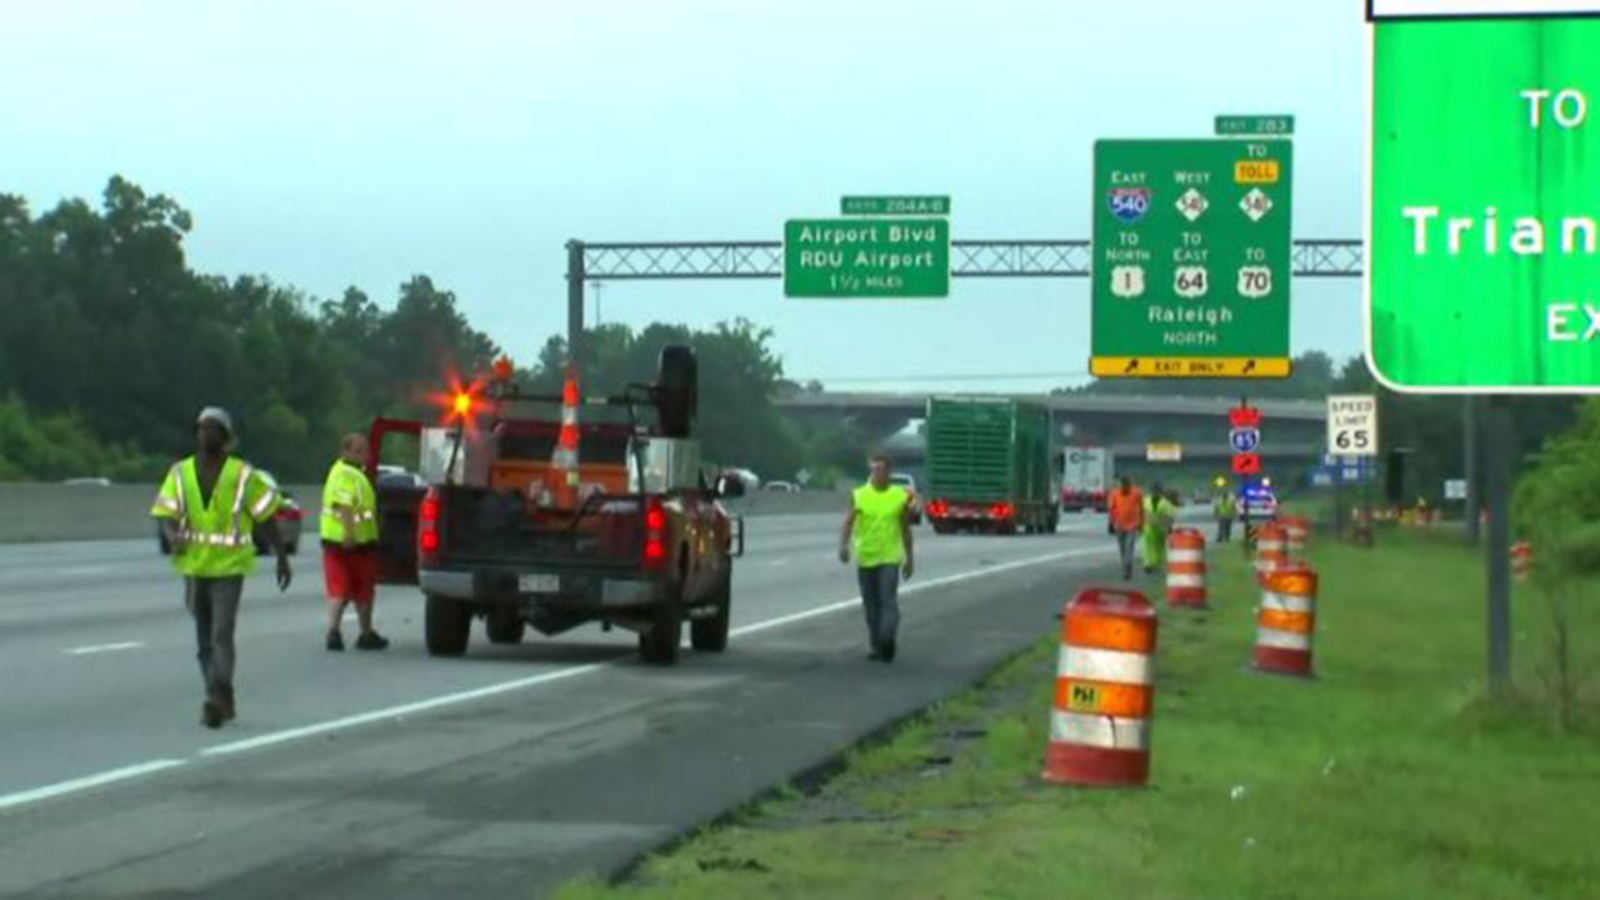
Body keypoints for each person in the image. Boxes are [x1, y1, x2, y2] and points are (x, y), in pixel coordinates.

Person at [150, 407, 292, 729]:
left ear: (226, 438)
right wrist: (173, 536)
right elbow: (165, 513)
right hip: (195, 566)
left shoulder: (242, 474)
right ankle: (218, 694)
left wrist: (282, 557)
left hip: (229, 566)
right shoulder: (180, 472)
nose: (206, 434)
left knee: (221, 633)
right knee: (203, 640)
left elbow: (265, 516)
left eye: (214, 429)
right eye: (201, 428)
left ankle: (217, 695)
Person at [838, 453, 914, 663]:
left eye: (881, 469)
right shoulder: (859, 494)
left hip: (889, 557)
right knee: (871, 606)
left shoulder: (899, 496)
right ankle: (876, 645)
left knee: (887, 600)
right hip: (866, 557)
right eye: (874, 469)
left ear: (889, 471)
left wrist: (910, 559)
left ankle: (887, 638)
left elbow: (906, 529)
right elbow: (848, 522)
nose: (877, 473)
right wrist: (843, 546)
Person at [322, 433, 388, 651]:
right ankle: (349, 632)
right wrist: (349, 534)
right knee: (353, 588)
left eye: (365, 450)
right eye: (358, 450)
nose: (364, 454)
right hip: (350, 542)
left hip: (343, 541)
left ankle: (349, 632)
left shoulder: (346, 472)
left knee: (348, 587)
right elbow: (344, 505)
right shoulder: (346, 474)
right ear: (345, 451)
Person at [1106, 476, 1145, 580]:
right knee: (1122, 548)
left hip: (1132, 524)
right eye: (1123, 485)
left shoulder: (1137, 493)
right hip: (1119, 525)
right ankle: (1125, 567)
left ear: (1130, 485)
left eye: (1127, 485)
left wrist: (1142, 523)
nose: (1125, 487)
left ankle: (1127, 566)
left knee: (1129, 547)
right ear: (1120, 485)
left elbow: (1142, 508)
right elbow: (1111, 509)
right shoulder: (1114, 493)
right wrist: (1110, 523)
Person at [1141, 481, 1177, 574]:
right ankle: (1148, 564)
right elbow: (1141, 513)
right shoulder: (1146, 501)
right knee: (1148, 546)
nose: (1155, 492)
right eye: (1154, 490)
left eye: (1157, 490)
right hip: (1148, 527)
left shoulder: (1165, 503)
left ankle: (1155, 564)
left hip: (1161, 529)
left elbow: (1170, 516)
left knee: (1158, 548)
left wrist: (1169, 527)